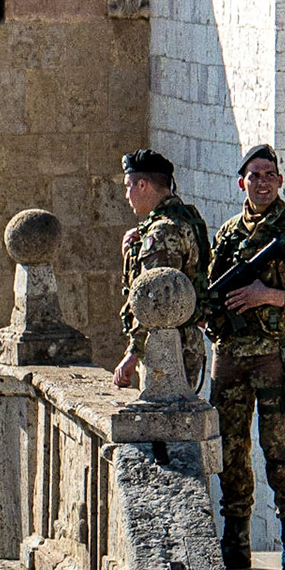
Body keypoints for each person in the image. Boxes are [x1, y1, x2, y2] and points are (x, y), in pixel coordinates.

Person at [204, 145, 285, 570]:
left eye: (269, 175)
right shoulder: (227, 235)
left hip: (273, 356)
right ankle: (236, 540)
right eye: (254, 175)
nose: (262, 182)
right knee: (231, 450)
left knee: (279, 450)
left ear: (280, 182)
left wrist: (270, 296)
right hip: (230, 357)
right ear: (242, 182)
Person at [112, 149, 211, 393]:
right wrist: (131, 254)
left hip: (167, 346)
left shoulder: (161, 234)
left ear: (143, 185)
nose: (127, 195)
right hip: (184, 341)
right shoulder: (184, 219)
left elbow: (155, 300)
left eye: (128, 186)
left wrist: (133, 354)